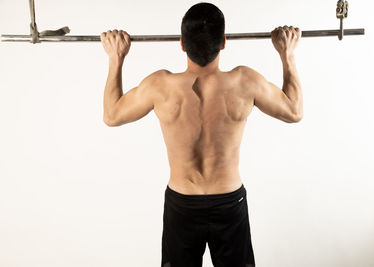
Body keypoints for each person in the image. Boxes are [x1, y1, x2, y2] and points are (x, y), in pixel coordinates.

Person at [101, 2, 302, 267]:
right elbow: (293, 111)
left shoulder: (160, 85)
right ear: (224, 43)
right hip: (229, 201)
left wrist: (116, 58)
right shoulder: (245, 81)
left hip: (182, 204)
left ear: (182, 44)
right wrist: (287, 55)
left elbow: (112, 115)